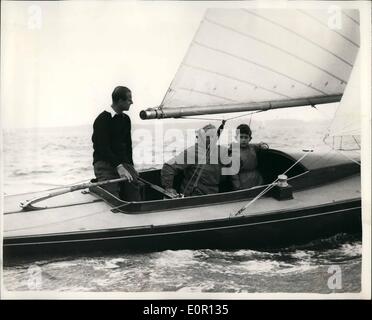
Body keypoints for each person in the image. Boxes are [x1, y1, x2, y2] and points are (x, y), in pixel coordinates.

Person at [92, 86, 141, 201]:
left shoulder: (126, 119)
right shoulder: (102, 119)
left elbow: (128, 147)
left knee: (134, 190)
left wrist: (131, 167)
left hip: (123, 164)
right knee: (112, 197)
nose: (132, 102)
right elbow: (102, 148)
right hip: (104, 164)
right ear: (120, 101)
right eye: (129, 99)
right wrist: (119, 167)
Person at [161, 124, 229, 197]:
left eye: (213, 136)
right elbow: (168, 167)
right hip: (194, 194)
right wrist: (168, 188)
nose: (212, 139)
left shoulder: (221, 150)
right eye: (208, 137)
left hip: (213, 192)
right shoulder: (192, 152)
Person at [230, 124, 268, 191]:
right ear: (236, 138)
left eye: (246, 137)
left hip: (257, 179)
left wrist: (263, 145)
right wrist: (238, 188)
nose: (243, 140)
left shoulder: (252, 147)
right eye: (241, 137)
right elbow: (234, 174)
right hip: (243, 181)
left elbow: (260, 144)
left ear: (250, 139)